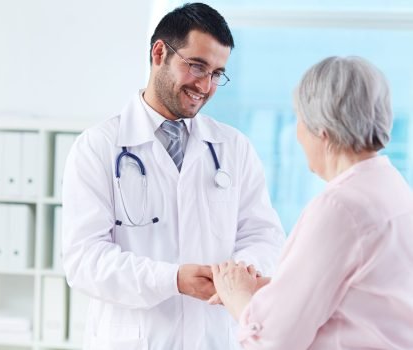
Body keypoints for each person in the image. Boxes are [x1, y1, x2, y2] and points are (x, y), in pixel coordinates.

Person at [62, 3, 285, 350]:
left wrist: (237, 275)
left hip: (214, 338)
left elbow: (264, 235)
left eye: (217, 73)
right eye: (197, 66)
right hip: (136, 339)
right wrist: (172, 280)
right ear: (159, 53)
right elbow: (84, 261)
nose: (206, 85)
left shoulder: (233, 147)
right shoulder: (98, 147)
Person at [211, 56, 413, 349]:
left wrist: (236, 294)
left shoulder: (340, 208)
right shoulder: (392, 187)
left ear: (322, 131)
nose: (297, 133)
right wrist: (272, 289)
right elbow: (363, 295)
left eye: (299, 119)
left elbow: (272, 339)